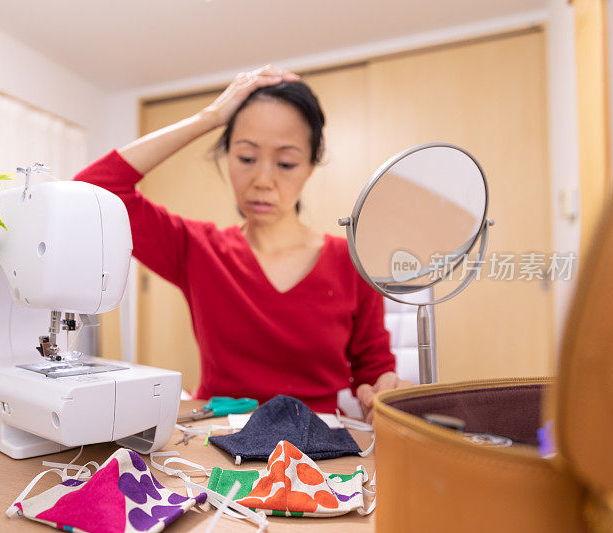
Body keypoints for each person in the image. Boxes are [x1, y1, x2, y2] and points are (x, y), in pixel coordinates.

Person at [75, 65, 411, 421]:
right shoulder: (198, 249)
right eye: (247, 158)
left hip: (319, 448)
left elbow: (373, 373)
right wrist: (211, 116)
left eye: (286, 163)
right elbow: (93, 190)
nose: (263, 180)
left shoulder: (351, 259)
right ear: (228, 156)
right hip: (217, 440)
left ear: (311, 166)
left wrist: (380, 398)